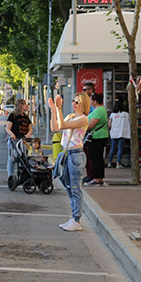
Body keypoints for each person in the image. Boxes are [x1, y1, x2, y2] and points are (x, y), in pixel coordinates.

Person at [48, 92, 90, 231]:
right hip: (67, 154)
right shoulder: (70, 116)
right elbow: (55, 128)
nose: (74, 104)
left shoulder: (83, 119)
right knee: (69, 186)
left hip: (76, 155)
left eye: (77, 102)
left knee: (75, 188)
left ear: (83, 104)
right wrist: (53, 110)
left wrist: (59, 109)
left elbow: (63, 125)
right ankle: (73, 217)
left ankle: (77, 220)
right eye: (73, 101)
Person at [84, 93, 108, 186]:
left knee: (95, 158)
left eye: (91, 100)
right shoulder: (100, 109)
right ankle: (99, 177)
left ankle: (97, 178)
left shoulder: (99, 110)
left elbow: (91, 125)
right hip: (100, 136)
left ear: (95, 101)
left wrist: (81, 128)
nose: (90, 102)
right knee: (98, 158)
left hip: (97, 137)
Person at [4, 99, 32, 179]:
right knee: (12, 158)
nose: (27, 106)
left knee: (24, 158)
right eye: (25, 104)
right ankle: (10, 176)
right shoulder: (13, 116)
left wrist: (28, 134)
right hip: (14, 140)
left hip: (23, 140)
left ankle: (23, 176)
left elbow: (30, 129)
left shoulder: (26, 117)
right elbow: (7, 128)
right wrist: (12, 134)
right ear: (20, 105)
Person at [107, 101, 131, 169]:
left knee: (113, 148)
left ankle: (109, 162)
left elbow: (109, 125)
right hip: (122, 132)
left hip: (114, 133)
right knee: (120, 148)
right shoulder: (126, 114)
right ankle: (118, 163)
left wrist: (110, 130)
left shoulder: (112, 115)